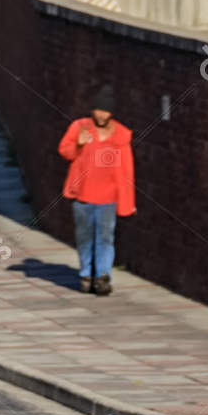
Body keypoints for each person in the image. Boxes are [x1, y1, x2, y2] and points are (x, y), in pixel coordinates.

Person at [59, 84, 134, 295]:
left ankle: (102, 276)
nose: (102, 114)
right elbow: (65, 151)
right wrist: (79, 145)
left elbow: (126, 172)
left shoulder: (120, 136)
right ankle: (86, 274)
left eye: (106, 110)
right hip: (82, 196)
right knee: (84, 238)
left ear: (112, 112)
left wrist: (127, 202)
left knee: (105, 237)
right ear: (92, 110)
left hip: (108, 198)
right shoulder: (80, 127)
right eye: (99, 110)